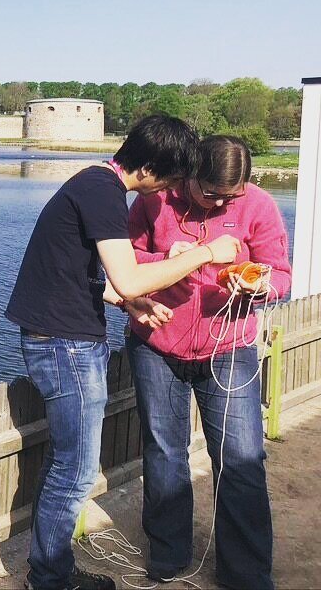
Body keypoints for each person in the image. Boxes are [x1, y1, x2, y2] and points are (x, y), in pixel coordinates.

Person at [5, 116, 242, 590]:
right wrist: (205, 254)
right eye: (172, 179)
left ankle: (52, 572)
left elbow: (81, 273)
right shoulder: (102, 191)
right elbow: (128, 274)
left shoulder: (96, 185)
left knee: (65, 462)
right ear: (152, 169)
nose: (170, 189)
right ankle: (50, 580)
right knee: (75, 473)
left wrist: (130, 302)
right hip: (64, 345)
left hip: (61, 337)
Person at [125, 134, 291, 590]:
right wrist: (163, 258)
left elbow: (281, 274)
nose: (218, 203)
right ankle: (168, 556)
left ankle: (247, 573)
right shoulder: (155, 200)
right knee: (163, 454)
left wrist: (259, 286)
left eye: (228, 197)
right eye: (209, 193)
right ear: (190, 175)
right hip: (157, 344)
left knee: (241, 459)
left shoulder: (257, 206)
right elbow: (124, 262)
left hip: (228, 349)